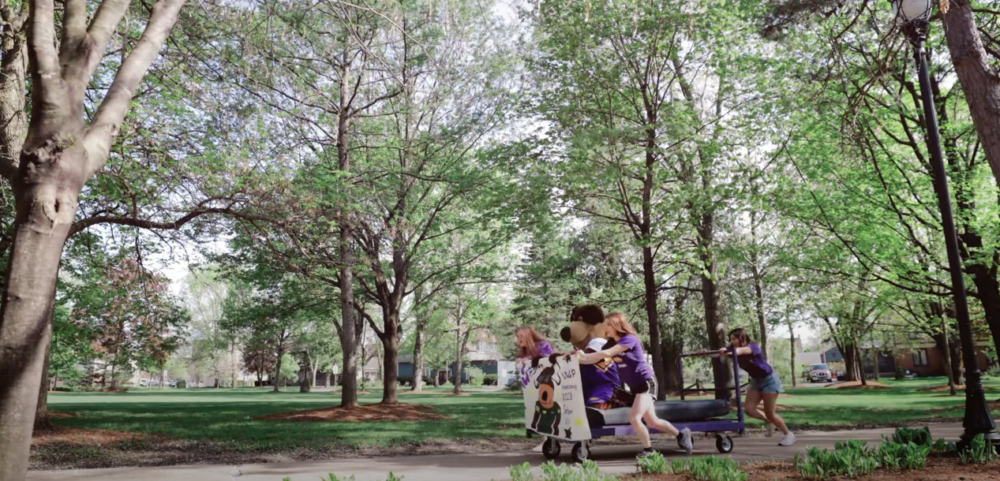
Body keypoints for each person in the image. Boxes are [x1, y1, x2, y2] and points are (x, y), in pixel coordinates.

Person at [578, 312, 692, 458]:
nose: (605, 328)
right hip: (635, 387)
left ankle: (648, 451)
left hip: (646, 382)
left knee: (634, 417)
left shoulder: (628, 340)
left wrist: (582, 356)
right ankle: (682, 435)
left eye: (607, 325)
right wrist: (577, 358)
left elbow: (605, 354)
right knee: (652, 421)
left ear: (615, 325)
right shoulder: (610, 343)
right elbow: (594, 358)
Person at [720, 328, 795, 446]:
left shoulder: (753, 346)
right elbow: (727, 351)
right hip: (755, 381)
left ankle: (788, 435)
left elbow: (740, 351)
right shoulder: (734, 349)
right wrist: (722, 350)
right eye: (731, 339)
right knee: (749, 409)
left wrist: (728, 351)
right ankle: (769, 422)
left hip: (769, 380)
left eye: (734, 339)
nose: (732, 341)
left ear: (742, 338)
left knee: (770, 412)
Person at [515, 326, 554, 452]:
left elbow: (549, 361)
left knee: (546, 411)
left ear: (528, 335)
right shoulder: (524, 351)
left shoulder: (543, 345)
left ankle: (548, 442)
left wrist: (529, 360)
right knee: (538, 412)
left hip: (548, 383)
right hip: (534, 386)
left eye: (521, 336)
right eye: (517, 337)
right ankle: (545, 441)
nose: (518, 339)